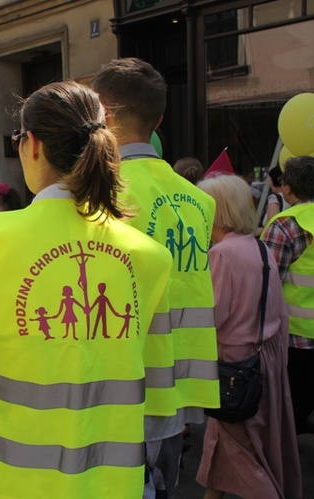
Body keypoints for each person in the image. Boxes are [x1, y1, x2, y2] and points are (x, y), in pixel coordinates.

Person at [0, 81, 172, 498]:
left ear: (32, 144)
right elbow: (150, 387)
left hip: (15, 476)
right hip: (114, 478)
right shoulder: (151, 256)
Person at [92, 57, 219, 498]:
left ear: (101, 115)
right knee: (165, 484)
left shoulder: (102, 190)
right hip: (184, 375)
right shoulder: (200, 200)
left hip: (131, 376)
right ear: (160, 119)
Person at [196, 174, 302, 499]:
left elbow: (209, 319)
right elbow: (279, 313)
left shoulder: (222, 255)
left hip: (233, 368)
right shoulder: (259, 247)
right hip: (261, 363)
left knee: (242, 455)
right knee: (226, 446)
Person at [261, 155, 314, 434]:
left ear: (288, 187)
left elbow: (265, 285)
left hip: (296, 341)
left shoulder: (284, 226)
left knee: (287, 424)